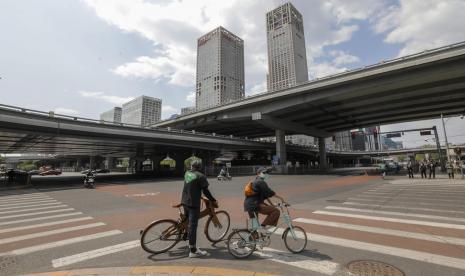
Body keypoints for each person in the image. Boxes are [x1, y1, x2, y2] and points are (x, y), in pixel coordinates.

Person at [181, 159, 217, 258]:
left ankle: (185, 234)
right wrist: (213, 200)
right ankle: (193, 250)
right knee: (193, 226)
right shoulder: (201, 176)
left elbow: (192, 186)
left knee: (186, 220)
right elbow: (205, 191)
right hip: (193, 203)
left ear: (191, 166)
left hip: (184, 201)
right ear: (200, 167)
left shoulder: (187, 173)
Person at [244, 167, 285, 235]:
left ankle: (252, 239)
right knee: (276, 211)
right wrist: (281, 198)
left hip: (249, 205)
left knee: (255, 225)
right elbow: (269, 192)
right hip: (255, 205)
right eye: (264, 173)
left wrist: (271, 204)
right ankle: (263, 227)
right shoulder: (260, 182)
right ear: (258, 174)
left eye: (266, 173)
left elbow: (266, 196)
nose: (266, 174)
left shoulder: (255, 181)